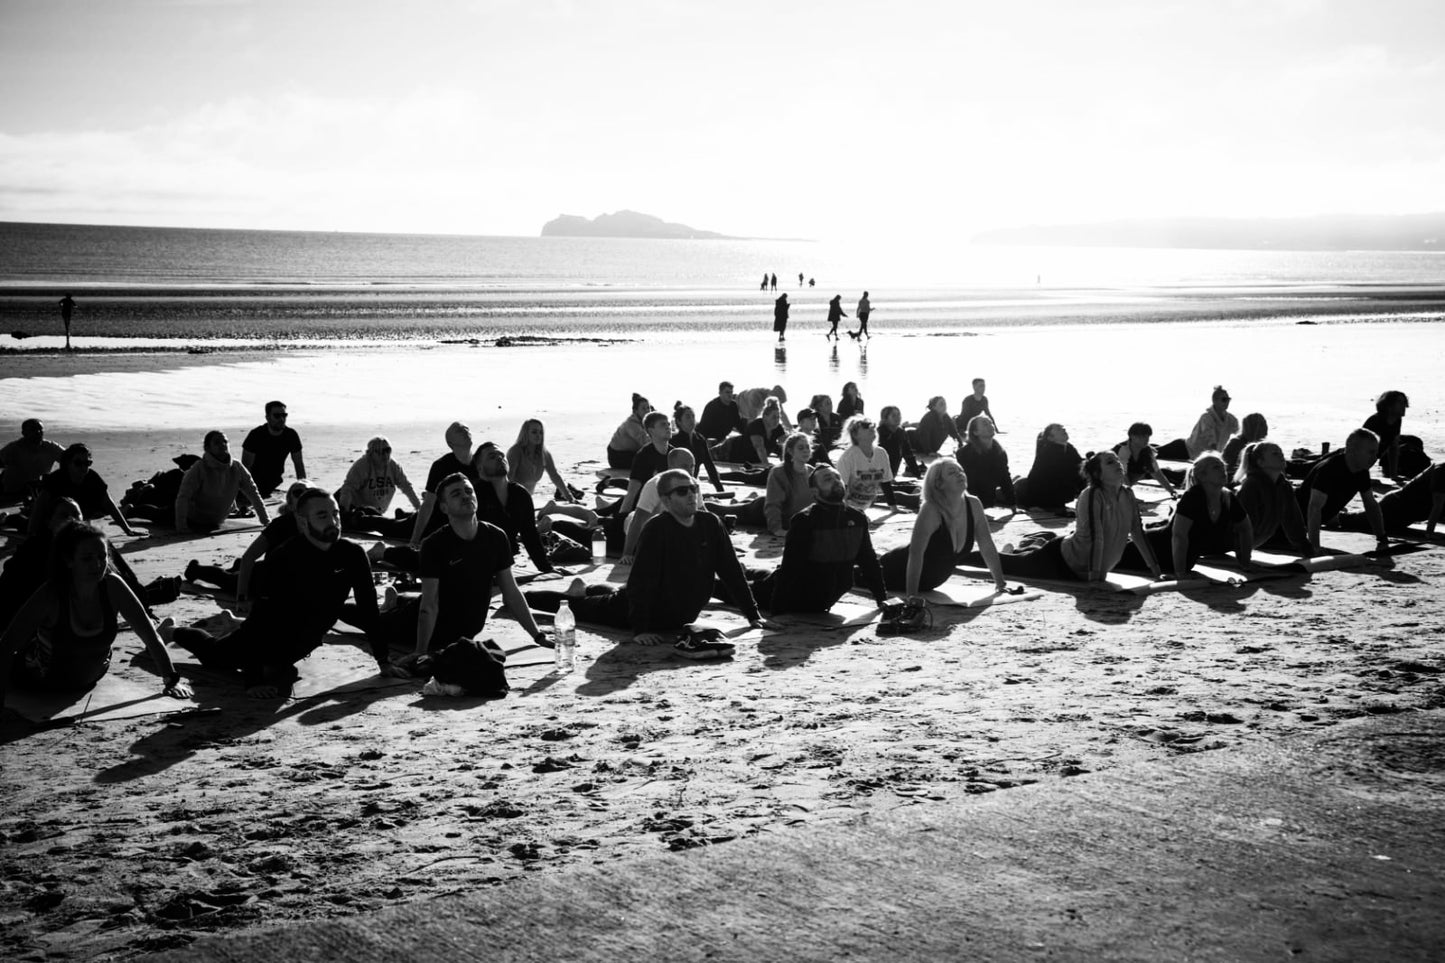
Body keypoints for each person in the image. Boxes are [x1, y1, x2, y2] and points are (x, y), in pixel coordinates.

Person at [170, 489, 400, 698]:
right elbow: (260, 622)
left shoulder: (353, 554)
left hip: (301, 643)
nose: (333, 522)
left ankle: (240, 634)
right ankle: (171, 631)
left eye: (336, 514)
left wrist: (384, 660)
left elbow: (369, 609)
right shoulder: (283, 558)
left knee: (280, 670)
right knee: (213, 656)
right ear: (302, 520)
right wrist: (254, 681)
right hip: (265, 638)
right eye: (322, 516)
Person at [524, 470, 777, 649]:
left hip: (678, 614)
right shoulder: (658, 528)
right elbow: (642, 580)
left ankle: (587, 588)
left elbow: (730, 569)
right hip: (635, 612)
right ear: (666, 500)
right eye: (682, 491)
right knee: (577, 608)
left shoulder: (710, 523)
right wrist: (641, 630)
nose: (691, 494)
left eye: (693, 488)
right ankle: (524, 599)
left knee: (613, 593)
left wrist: (752, 615)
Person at [366, 473, 549, 671]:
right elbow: (429, 604)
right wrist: (420, 651)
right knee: (366, 619)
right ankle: (379, 608)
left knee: (413, 603)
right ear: (444, 507)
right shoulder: (434, 544)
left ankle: (392, 602)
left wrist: (538, 636)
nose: (465, 496)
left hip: (467, 630)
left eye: (469, 491)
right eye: (456, 494)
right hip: (430, 628)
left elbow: (511, 592)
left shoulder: (496, 537)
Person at [2, 522, 192, 707]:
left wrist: (171, 679)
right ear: (69, 560)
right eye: (87, 558)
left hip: (90, 677)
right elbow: (8, 644)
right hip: (39, 680)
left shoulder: (113, 586)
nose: (97, 564)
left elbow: (150, 636)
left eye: (102, 557)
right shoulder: (51, 593)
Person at [968, 451, 1163, 582]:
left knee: (1026, 555)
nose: (1118, 464)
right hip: (1062, 560)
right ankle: (961, 557)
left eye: (1118, 461)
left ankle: (1025, 545)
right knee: (1009, 565)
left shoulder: (1127, 494)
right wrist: (1095, 578)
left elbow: (1137, 532)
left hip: (1084, 564)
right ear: (1098, 473)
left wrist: (1155, 570)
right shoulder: (1092, 494)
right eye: (1110, 462)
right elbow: (1097, 537)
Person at [739, 466, 890, 615]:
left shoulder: (857, 518)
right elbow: (789, 569)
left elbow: (869, 561)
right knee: (732, 589)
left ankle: (745, 571)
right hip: (794, 597)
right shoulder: (805, 520)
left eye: (837, 477)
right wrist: (776, 613)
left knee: (764, 575)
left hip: (825, 598)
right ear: (815, 492)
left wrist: (882, 599)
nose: (836, 481)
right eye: (828, 479)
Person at [880, 458, 1007, 594]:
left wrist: (1001, 584)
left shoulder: (974, 504)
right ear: (939, 483)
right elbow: (916, 554)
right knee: (858, 572)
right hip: (894, 571)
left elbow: (986, 544)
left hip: (929, 584)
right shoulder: (931, 509)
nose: (960, 474)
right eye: (952, 472)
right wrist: (912, 596)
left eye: (961, 470)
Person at [184, 480, 310, 607]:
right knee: (227, 580)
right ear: (290, 502)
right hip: (267, 578)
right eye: (298, 492)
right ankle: (195, 569)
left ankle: (239, 567)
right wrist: (241, 597)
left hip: (294, 579)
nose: (304, 495)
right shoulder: (279, 525)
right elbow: (249, 557)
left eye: (309, 492)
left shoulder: (321, 524)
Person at [473, 443, 564, 575]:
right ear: (480, 468)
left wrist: (546, 568)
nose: (500, 458)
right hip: (479, 562)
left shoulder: (520, 494)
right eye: (492, 456)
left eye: (501, 455)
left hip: (506, 560)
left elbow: (529, 534)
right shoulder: (474, 495)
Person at [1298, 428, 1388, 554]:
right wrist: (1314, 546)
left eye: (1376, 453)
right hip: (1287, 522)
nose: (1375, 458)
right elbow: (1314, 507)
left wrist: (1382, 537)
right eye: (1371, 453)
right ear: (1352, 451)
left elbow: (1370, 504)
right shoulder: (1329, 469)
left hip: (1306, 524)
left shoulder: (1361, 471)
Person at [1169, 452, 1254, 577]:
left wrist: (1245, 563)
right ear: (1202, 476)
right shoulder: (1193, 497)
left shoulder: (1228, 497)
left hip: (1188, 557)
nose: (1223, 471)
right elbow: (1179, 536)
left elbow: (1245, 529)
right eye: (1216, 468)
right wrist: (1180, 572)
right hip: (1164, 550)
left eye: (1223, 467)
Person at [29, 444, 141, 537]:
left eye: (87, 463)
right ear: (68, 462)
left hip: (80, 517)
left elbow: (109, 504)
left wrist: (127, 530)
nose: (83, 467)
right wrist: (31, 535)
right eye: (78, 463)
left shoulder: (92, 478)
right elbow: (39, 507)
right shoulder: (56, 479)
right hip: (54, 520)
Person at [174, 431, 270, 533]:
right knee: (173, 480)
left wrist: (266, 520)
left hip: (216, 520)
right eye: (217, 442)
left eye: (225, 441)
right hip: (192, 518)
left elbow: (253, 493)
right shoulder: (199, 468)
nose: (223, 444)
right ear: (207, 448)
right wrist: (181, 526)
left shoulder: (237, 467)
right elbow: (183, 497)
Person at [409, 422, 479, 547]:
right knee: (392, 527)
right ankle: (363, 516)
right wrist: (414, 540)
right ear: (450, 443)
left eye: (466, 429)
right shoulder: (441, 466)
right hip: (435, 519)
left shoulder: (480, 462)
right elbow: (428, 504)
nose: (465, 431)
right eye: (459, 431)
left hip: (466, 518)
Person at [1234, 442, 1310, 554]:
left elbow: (1293, 522)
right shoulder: (1251, 486)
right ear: (1261, 462)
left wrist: (1307, 549)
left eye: (1281, 453)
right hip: (1223, 542)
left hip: (1252, 542)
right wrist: (1244, 559)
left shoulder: (1283, 485)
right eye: (1275, 454)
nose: (1281, 456)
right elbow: (1243, 528)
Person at [1337, 462, 1445, 537]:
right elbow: (1438, 504)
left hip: (1406, 516)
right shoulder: (1441, 470)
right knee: (1348, 520)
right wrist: (1429, 533)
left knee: (1357, 518)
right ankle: (1327, 513)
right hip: (1394, 509)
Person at [241, 401, 306, 497]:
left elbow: (298, 463)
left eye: (284, 415)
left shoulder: (291, 435)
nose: (282, 419)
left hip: (273, 482)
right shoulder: (256, 435)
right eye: (277, 416)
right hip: (252, 482)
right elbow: (246, 467)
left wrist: (304, 487)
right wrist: (247, 490)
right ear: (267, 417)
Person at [1016, 424, 1085, 511]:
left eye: (1063, 428)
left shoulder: (1069, 448)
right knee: (1008, 491)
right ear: (1050, 438)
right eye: (1058, 429)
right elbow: (1037, 478)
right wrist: (1034, 505)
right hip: (1031, 492)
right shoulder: (1048, 452)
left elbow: (1079, 466)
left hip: (1054, 494)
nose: (1063, 429)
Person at [836, 416, 898, 512]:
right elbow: (841, 490)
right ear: (855, 434)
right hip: (848, 507)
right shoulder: (848, 457)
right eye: (865, 426)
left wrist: (894, 508)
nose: (871, 428)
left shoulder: (881, 453)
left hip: (867, 504)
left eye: (872, 425)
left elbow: (886, 483)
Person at [507, 419, 577, 503]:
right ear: (525, 433)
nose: (538, 435)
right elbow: (507, 481)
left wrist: (570, 498)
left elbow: (555, 476)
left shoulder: (544, 453)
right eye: (534, 432)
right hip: (513, 500)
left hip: (527, 501)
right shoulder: (515, 451)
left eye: (541, 432)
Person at [955, 415, 1015, 509]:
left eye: (990, 422)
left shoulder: (999, 452)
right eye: (985, 424)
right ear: (975, 432)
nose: (991, 425)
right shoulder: (964, 453)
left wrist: (1013, 504)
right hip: (967, 501)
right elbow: (965, 483)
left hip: (988, 501)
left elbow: (1005, 478)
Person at [1, 419, 66, 498]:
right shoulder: (13, 449)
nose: (38, 432)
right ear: (24, 433)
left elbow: (71, 459)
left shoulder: (51, 447)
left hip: (38, 493)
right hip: (11, 493)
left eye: (40, 429)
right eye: (33, 430)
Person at [671, 403, 725, 493]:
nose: (692, 420)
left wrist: (720, 490)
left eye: (693, 416)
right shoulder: (674, 441)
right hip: (676, 487)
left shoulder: (700, 439)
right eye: (688, 417)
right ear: (679, 421)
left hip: (692, 486)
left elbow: (709, 465)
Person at [1114, 423, 1179, 496]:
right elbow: (1122, 475)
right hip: (1111, 477)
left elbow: (1156, 473)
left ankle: (1125, 493)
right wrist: (1129, 497)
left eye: (1148, 436)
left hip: (1128, 476)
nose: (1146, 439)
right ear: (1132, 436)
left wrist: (1172, 491)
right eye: (1143, 436)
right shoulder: (1123, 449)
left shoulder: (1147, 451)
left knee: (1144, 470)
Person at [1179, 386, 1239, 460]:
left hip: (1202, 455)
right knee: (1160, 452)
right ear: (1215, 401)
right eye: (1224, 400)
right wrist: (1218, 458)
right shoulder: (1206, 418)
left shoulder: (1231, 420)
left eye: (1228, 400)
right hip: (1185, 449)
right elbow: (1211, 441)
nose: (1227, 402)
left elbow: (1239, 435)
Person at [725, 396, 787, 464]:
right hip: (729, 450)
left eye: (778, 417)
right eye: (774, 417)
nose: (777, 420)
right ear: (765, 416)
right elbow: (759, 448)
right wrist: (766, 465)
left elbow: (788, 443)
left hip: (751, 461)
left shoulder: (778, 428)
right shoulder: (756, 426)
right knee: (711, 455)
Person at [1364, 390, 1409, 478]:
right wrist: (1362, 476)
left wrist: (1394, 476)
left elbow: (1393, 448)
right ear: (1388, 406)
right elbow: (1360, 451)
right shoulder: (1375, 421)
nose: (1404, 406)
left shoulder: (1397, 419)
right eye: (1399, 402)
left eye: (1404, 402)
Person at [606, 394, 652, 470]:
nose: (647, 411)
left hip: (630, 453)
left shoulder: (644, 421)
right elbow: (646, 442)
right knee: (648, 462)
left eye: (648, 407)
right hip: (617, 456)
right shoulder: (631, 424)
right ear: (635, 411)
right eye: (643, 408)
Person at [878, 406, 923, 479]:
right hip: (879, 475)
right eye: (893, 415)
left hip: (892, 475)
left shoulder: (901, 433)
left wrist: (918, 475)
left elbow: (909, 455)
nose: (897, 417)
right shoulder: (879, 433)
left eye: (899, 415)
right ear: (885, 419)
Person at [1222, 413, 1268, 479]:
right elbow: (1228, 468)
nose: (1266, 427)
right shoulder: (1236, 443)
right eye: (1262, 424)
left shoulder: (1263, 445)